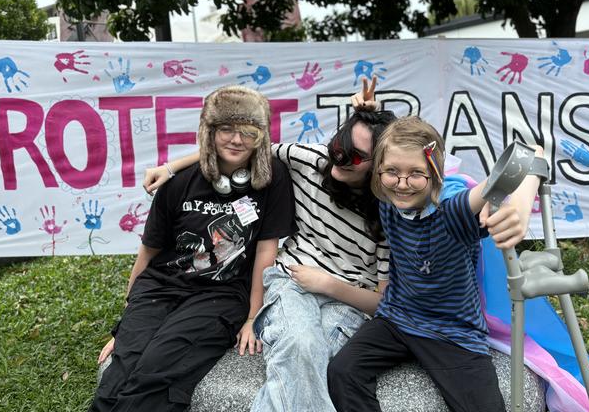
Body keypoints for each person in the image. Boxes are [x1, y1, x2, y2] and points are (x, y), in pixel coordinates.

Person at [143, 79, 466, 412]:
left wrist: (329, 285)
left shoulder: (387, 212)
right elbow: (240, 148)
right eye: (340, 145)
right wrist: (170, 167)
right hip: (291, 282)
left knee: (303, 362)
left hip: (347, 300)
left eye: (357, 157)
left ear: (380, 165)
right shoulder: (309, 160)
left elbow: (380, 304)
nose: (340, 158)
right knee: (302, 344)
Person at [90, 85, 296, 412]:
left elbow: (265, 253)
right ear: (208, 131)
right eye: (226, 129)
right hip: (161, 287)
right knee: (119, 374)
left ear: (261, 135)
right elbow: (148, 254)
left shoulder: (272, 177)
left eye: (248, 131)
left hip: (221, 295)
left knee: (155, 370)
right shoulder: (178, 182)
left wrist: (253, 317)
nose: (237, 139)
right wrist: (126, 328)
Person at [327, 116, 543, 412]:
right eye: (392, 171)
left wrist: (517, 206)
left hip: (452, 332)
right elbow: (354, 153)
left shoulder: (453, 211)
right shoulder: (386, 197)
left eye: (416, 173)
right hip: (397, 319)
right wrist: (365, 111)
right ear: (378, 171)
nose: (402, 184)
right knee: (343, 371)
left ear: (435, 172)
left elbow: (531, 153)